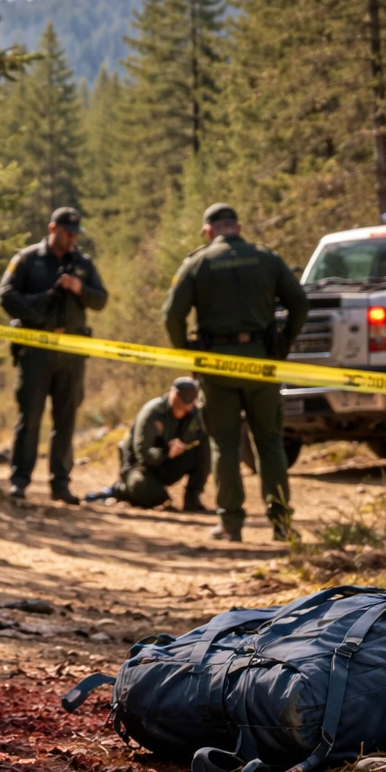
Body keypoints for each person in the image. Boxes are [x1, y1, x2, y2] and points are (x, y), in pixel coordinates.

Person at [162, 203, 309, 542]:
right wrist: (284, 341)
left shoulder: (198, 263)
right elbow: (300, 302)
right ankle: (281, 523)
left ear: (208, 232)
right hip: (261, 363)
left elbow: (171, 315)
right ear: (238, 228)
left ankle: (230, 524)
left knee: (224, 444)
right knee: (269, 442)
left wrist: (188, 351)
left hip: (217, 366)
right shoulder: (266, 258)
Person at [0, 206, 108, 505]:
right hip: (35, 351)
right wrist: (39, 307)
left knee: (66, 420)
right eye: (67, 233)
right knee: (30, 417)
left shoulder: (82, 263)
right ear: (52, 229)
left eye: (75, 234)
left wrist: (79, 288)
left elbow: (101, 300)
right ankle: (20, 481)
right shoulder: (27, 259)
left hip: (71, 353)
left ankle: (61, 484)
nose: (72, 238)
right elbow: (5, 296)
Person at [86, 377, 210, 511]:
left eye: (190, 403)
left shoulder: (194, 413)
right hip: (138, 468)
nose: (186, 407)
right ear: (173, 395)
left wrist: (183, 446)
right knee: (150, 493)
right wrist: (167, 452)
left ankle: (192, 498)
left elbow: (200, 436)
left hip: (166, 465)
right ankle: (119, 490)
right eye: (182, 402)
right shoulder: (152, 412)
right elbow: (143, 454)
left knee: (206, 447)